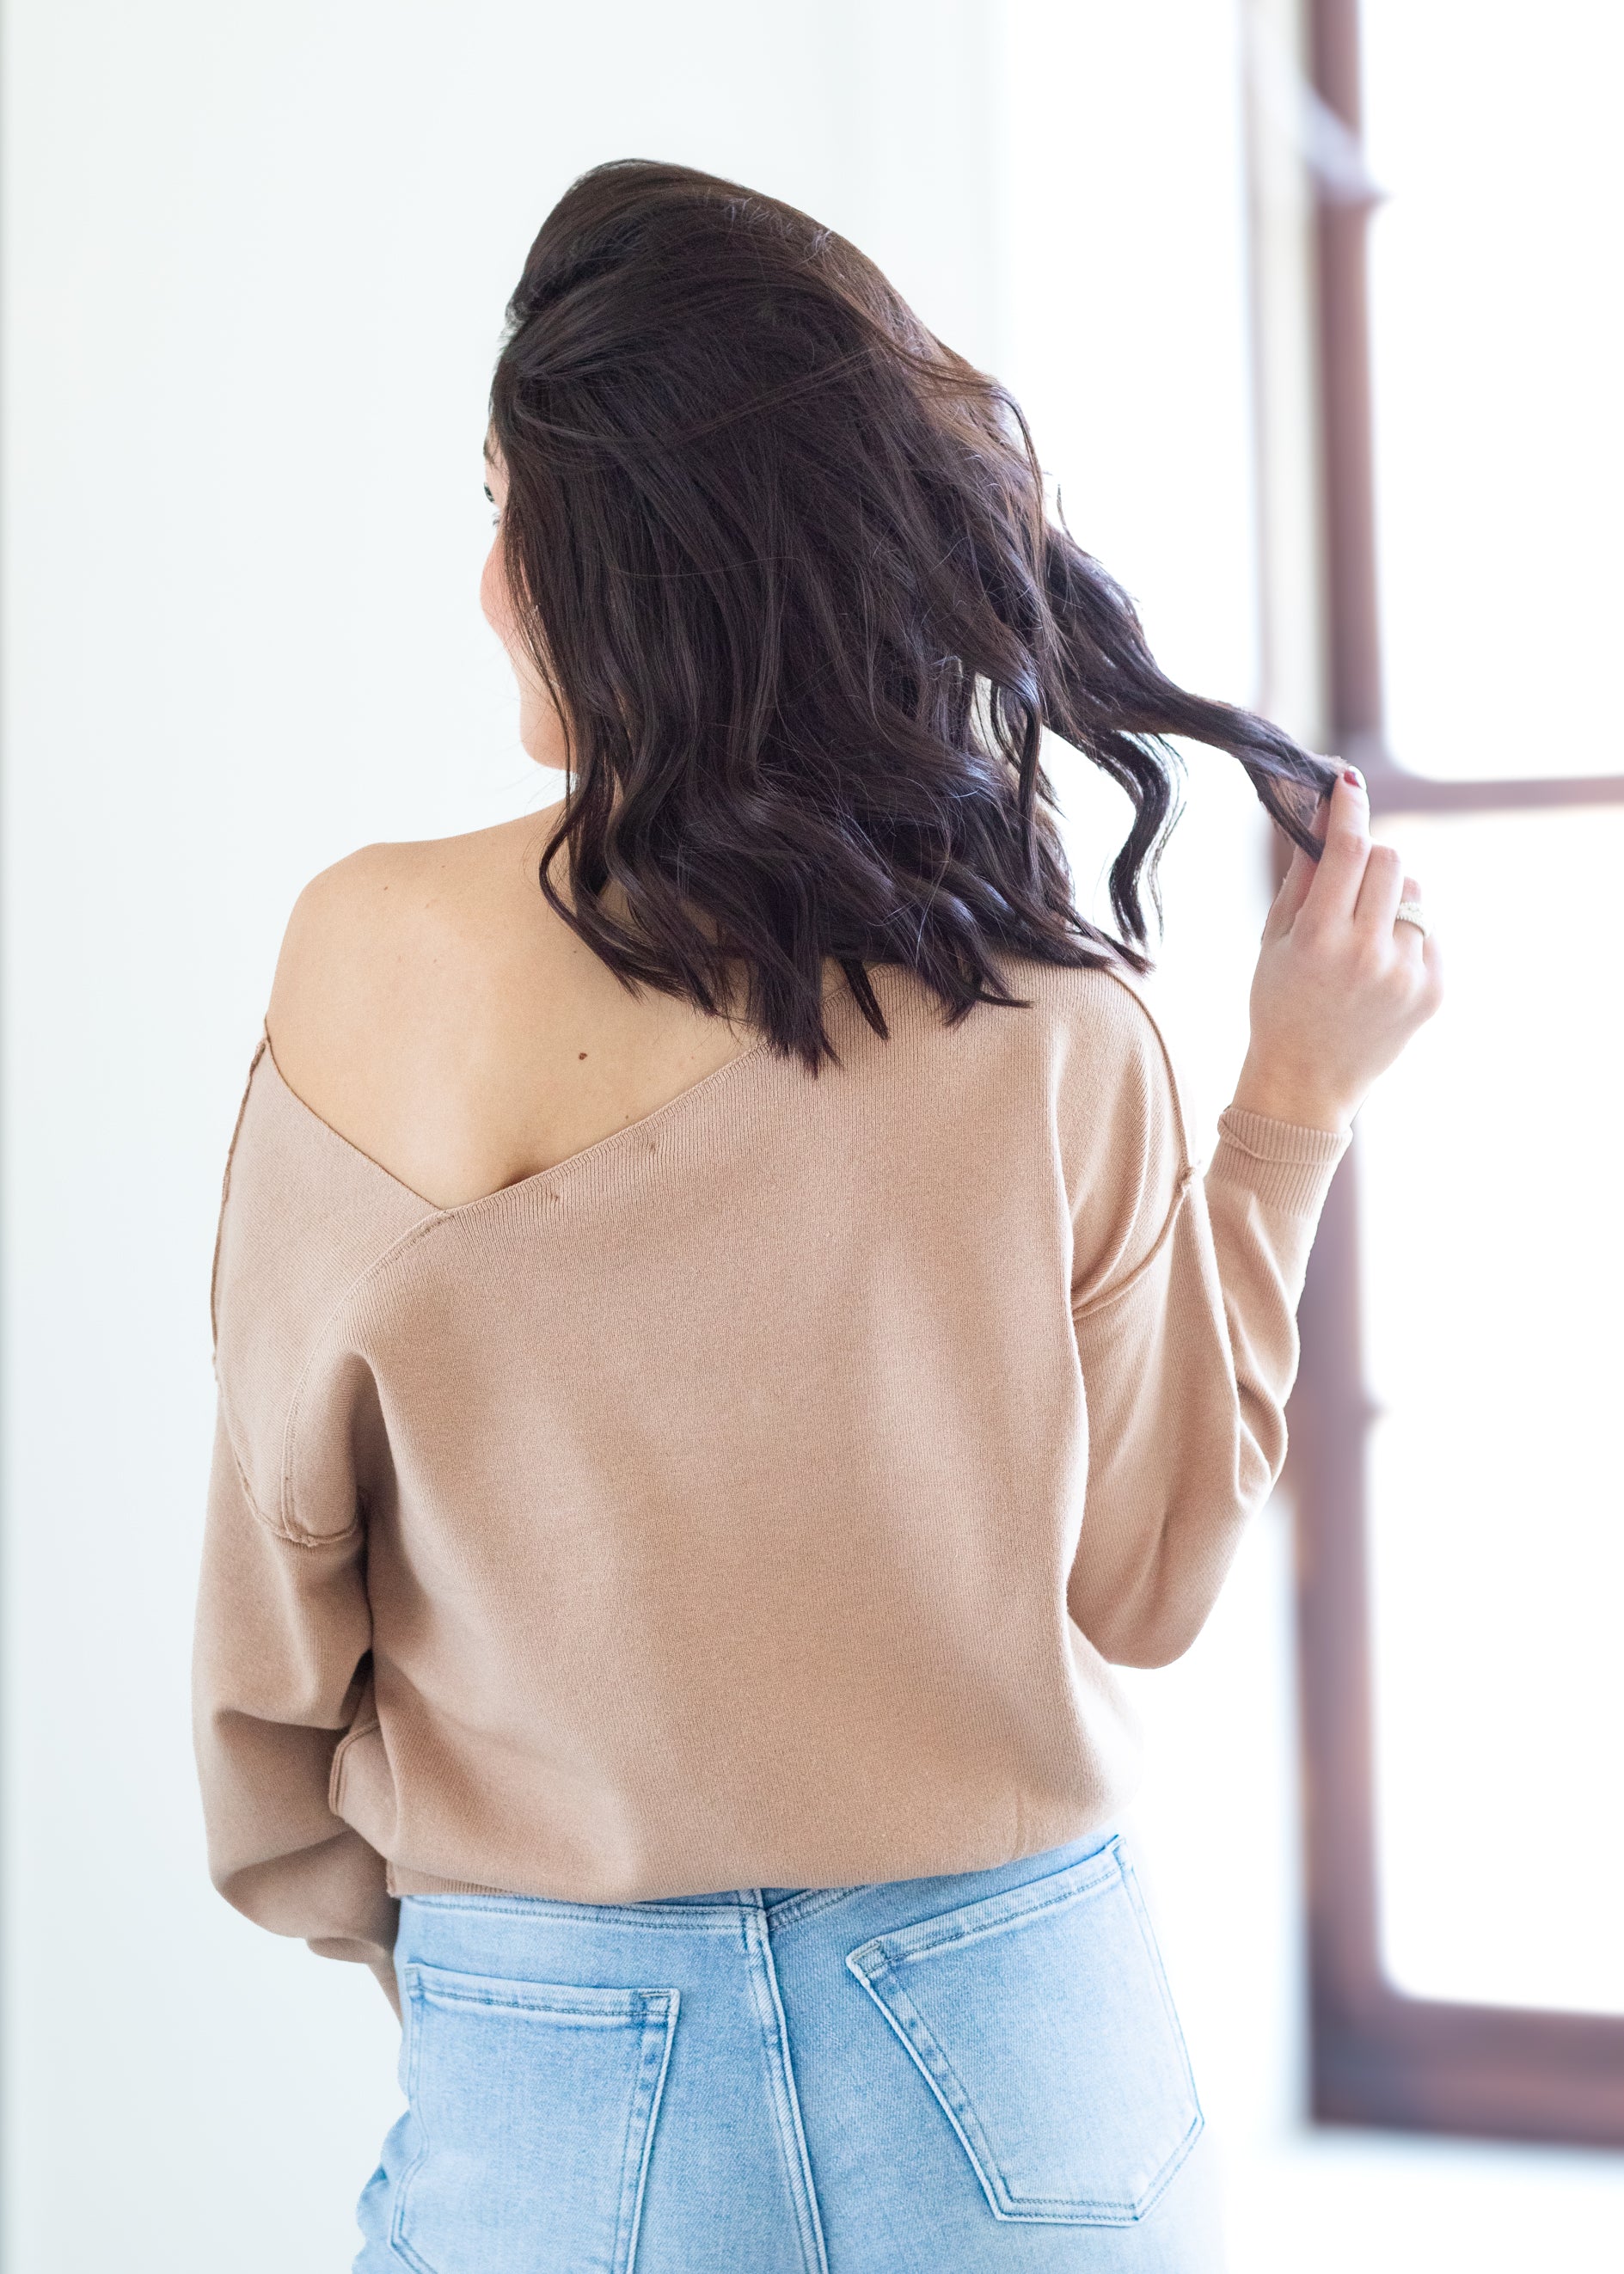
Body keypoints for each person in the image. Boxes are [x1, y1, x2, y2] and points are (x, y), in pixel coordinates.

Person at [192, 160, 1442, 2273]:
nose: (485, 577)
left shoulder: (369, 960)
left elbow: (272, 1621)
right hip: (1029, 2058)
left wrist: (488, 1980)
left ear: (631, 575)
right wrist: (1292, 1109)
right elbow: (1144, 1584)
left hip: (555, 2053)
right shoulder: (1050, 1012)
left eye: (509, 509)